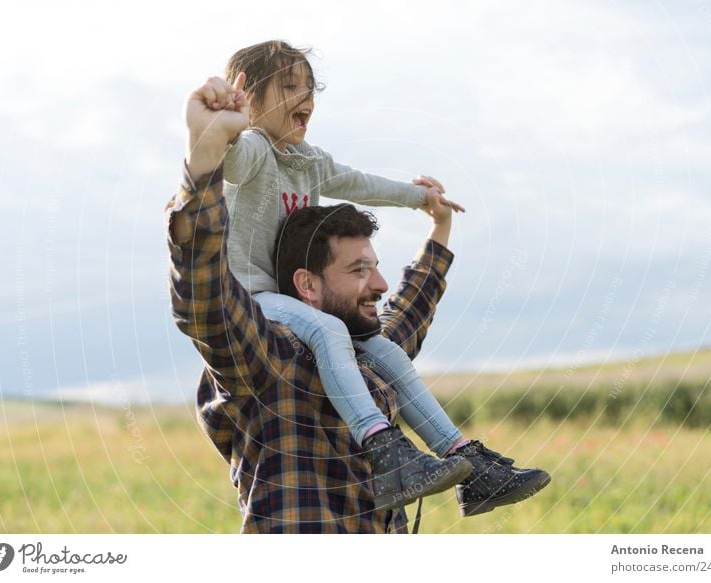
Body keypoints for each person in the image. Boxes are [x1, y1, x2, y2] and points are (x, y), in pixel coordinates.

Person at [166, 70, 551, 532]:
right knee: (329, 332)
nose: (381, 284)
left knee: (379, 346)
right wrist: (206, 150)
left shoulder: (362, 353)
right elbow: (204, 288)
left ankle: (467, 462)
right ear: (307, 285)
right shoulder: (263, 360)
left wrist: (436, 220)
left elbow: (409, 307)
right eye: (358, 270)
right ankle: (385, 445)